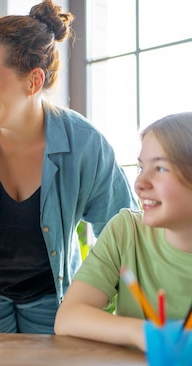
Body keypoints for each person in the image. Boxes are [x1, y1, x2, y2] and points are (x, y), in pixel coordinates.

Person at [0, 0, 138, 334]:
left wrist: (99, 301)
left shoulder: (85, 144)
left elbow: (124, 235)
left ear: (33, 81)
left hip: (55, 301)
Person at [54, 112, 192, 351]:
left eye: (159, 168)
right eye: (141, 167)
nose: (139, 184)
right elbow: (68, 318)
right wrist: (142, 333)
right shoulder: (126, 231)